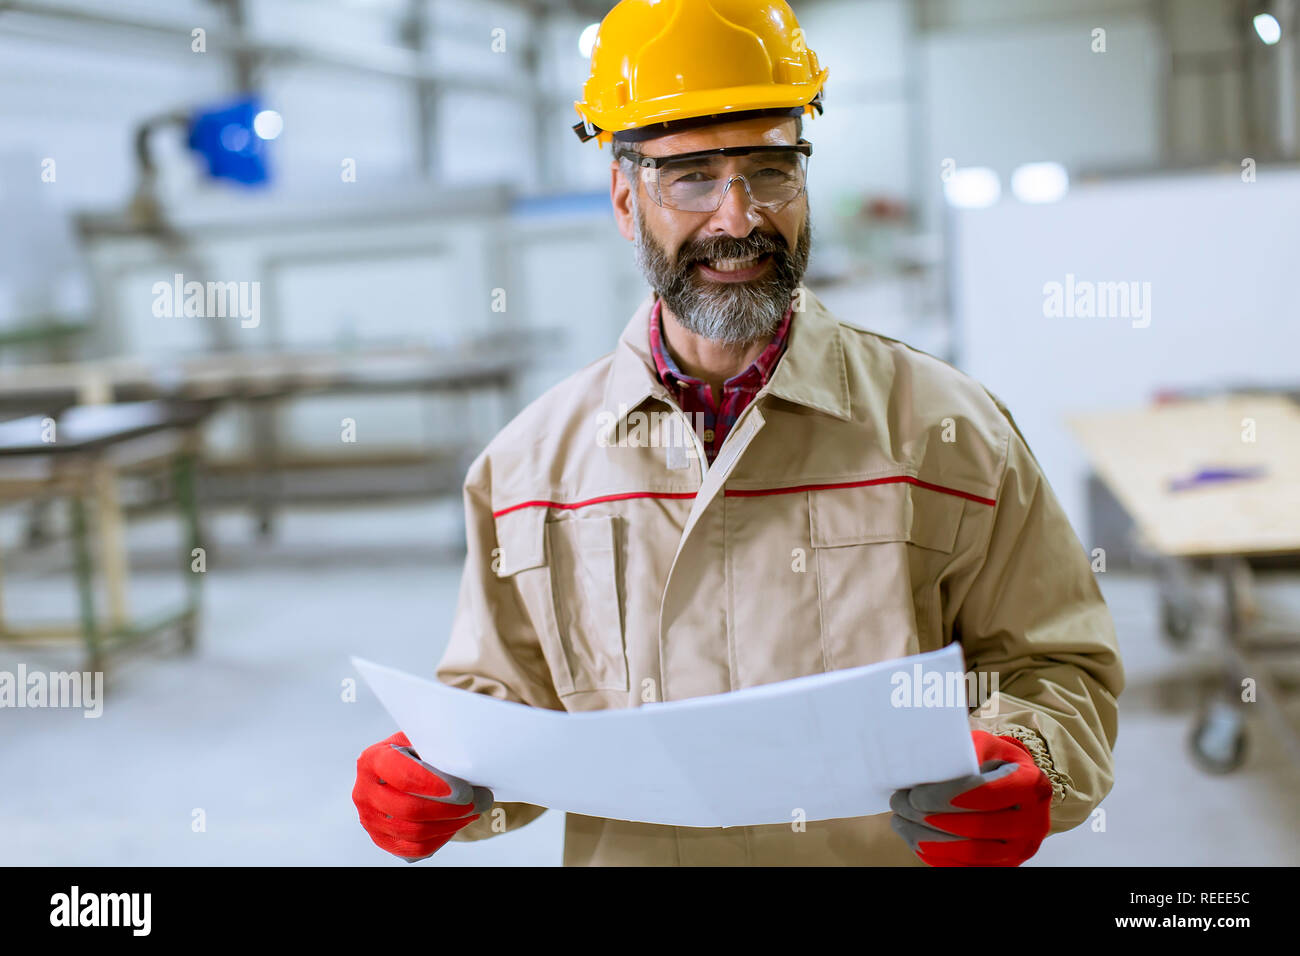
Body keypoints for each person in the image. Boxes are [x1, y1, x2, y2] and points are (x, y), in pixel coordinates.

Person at [353, 0, 1124, 866]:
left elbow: (1057, 667)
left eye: (769, 169)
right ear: (623, 198)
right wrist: (432, 780)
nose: (737, 217)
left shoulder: (950, 430)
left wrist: (1034, 756)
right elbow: (501, 709)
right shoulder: (530, 467)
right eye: (690, 178)